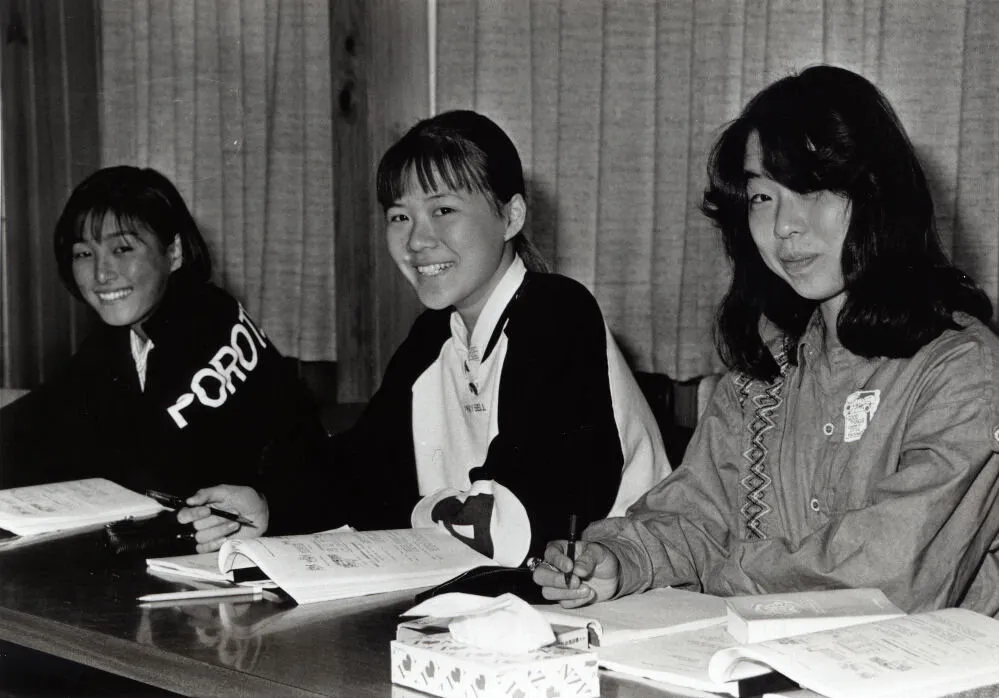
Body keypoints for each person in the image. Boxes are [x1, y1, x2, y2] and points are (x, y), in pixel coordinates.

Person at [533, 65, 999, 617]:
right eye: (761, 197)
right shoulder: (764, 372)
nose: (784, 226)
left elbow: (894, 573)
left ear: (877, 194)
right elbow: (695, 517)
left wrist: (725, 568)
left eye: (814, 188)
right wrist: (619, 559)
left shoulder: (964, 368)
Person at [195, 110, 671, 564]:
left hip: (617, 600)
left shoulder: (558, 313)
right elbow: (363, 472)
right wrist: (269, 507)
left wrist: (417, 510)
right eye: (399, 217)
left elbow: (516, 526)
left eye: (443, 209)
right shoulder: (434, 333)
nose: (417, 240)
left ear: (512, 216)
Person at [0, 166, 328, 548]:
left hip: (287, 548)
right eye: (84, 253)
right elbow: (47, 412)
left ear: (173, 253)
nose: (102, 273)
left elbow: (149, 468)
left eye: (122, 248)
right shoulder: (120, 336)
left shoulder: (206, 321)